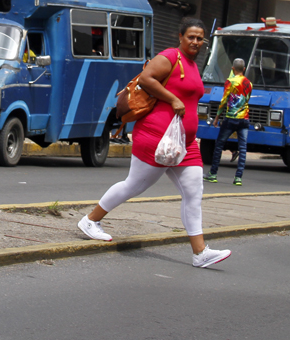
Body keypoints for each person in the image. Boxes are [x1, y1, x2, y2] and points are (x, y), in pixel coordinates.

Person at [77, 17, 232, 269]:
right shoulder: (170, 57)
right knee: (134, 185)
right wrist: (172, 99)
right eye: (190, 36)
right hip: (157, 137)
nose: (195, 41)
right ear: (180, 37)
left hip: (185, 142)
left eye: (199, 38)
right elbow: (147, 78)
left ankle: (200, 252)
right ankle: (90, 220)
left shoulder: (192, 64)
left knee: (194, 192)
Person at [205, 58, 252, 185]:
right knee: (242, 148)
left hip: (231, 118)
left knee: (219, 145)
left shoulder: (230, 82)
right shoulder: (249, 83)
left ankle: (213, 174)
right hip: (244, 119)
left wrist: (217, 118)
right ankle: (238, 178)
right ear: (244, 69)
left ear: (232, 69)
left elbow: (224, 101)